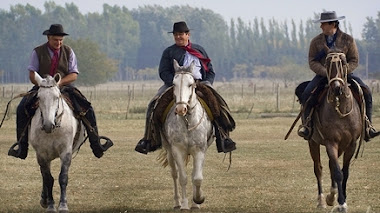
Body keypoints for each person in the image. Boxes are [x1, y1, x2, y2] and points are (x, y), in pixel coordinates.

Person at [8, 24, 113, 159]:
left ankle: (96, 145)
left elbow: (74, 74)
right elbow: (32, 73)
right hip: (43, 87)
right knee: (22, 108)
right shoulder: (37, 52)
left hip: (63, 87)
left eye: (60, 40)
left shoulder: (69, 52)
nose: (58, 43)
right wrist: (43, 84)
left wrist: (59, 83)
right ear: (48, 38)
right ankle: (21, 148)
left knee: (87, 107)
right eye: (55, 40)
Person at [134, 21, 236, 154]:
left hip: (200, 84)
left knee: (218, 104)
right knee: (153, 104)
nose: (178, 37)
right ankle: (148, 140)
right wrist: (177, 83)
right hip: (175, 85)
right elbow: (163, 71)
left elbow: (210, 70)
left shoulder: (199, 50)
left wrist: (208, 82)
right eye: (176, 35)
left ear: (188, 34)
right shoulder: (169, 52)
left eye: (181, 34)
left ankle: (223, 138)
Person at [297, 11, 379, 141]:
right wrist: (326, 72)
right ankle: (307, 126)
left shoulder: (348, 40)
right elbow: (312, 61)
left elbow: (354, 60)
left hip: (344, 75)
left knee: (366, 92)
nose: (321, 27)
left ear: (333, 24)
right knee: (307, 93)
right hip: (323, 75)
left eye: (323, 24)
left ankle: (368, 127)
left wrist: (341, 72)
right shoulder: (316, 42)